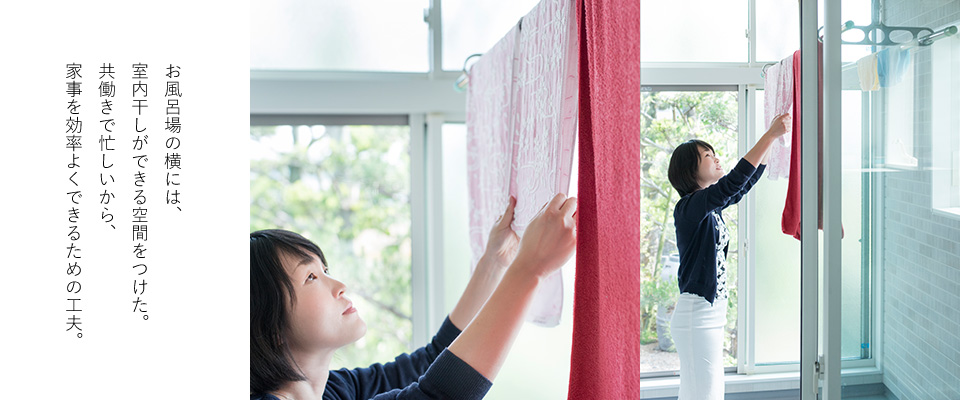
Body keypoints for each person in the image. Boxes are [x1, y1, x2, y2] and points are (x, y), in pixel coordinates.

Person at [251, 193, 578, 400]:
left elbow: (432, 361)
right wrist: (529, 269)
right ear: (269, 326)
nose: (339, 285)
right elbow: (439, 394)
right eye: (310, 277)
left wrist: (494, 263)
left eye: (325, 270)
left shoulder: (332, 391)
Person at [666, 113, 791, 400]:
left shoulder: (709, 208)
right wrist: (769, 135)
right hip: (697, 315)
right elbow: (732, 183)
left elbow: (742, 185)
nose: (717, 158)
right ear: (690, 169)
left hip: (708, 313)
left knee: (702, 391)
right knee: (706, 393)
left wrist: (772, 139)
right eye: (708, 155)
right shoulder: (688, 208)